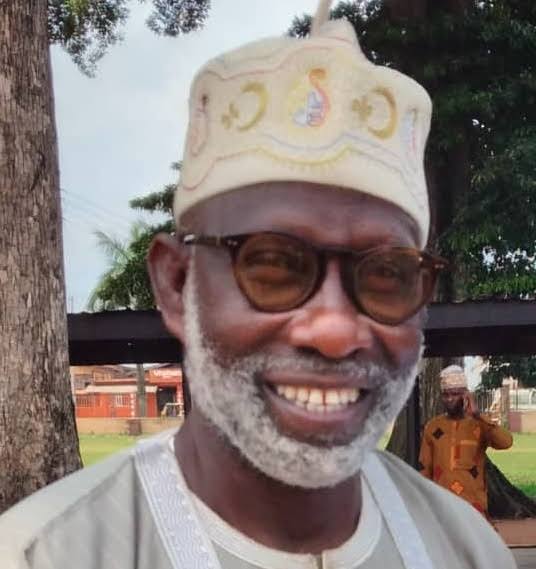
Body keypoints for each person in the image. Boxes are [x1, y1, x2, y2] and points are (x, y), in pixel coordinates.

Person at [0, 1, 516, 568]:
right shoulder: (46, 554)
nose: (335, 331)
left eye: (386, 273)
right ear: (176, 284)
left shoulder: (465, 549)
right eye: (273, 264)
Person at [419, 365, 513, 519]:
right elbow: (425, 469)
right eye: (445, 395)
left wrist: (478, 415)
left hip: (474, 507)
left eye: (455, 394)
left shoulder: (479, 424)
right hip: (442, 507)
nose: (449, 399)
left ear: (466, 395)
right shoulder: (433, 427)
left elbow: (506, 442)